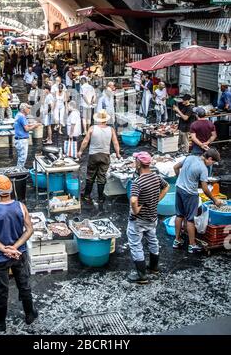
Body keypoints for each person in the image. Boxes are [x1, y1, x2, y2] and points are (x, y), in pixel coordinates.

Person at [0, 175, 38, 332]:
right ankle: (30, 314)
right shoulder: (21, 207)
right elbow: (29, 230)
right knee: (24, 284)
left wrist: (5, 249)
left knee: (2, 289)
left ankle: (0, 322)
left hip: (1, 258)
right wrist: (15, 247)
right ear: (10, 189)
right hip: (19, 254)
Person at [127, 152, 169, 284]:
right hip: (152, 217)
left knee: (135, 245)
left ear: (139, 163)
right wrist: (157, 200)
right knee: (152, 240)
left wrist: (135, 211)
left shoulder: (137, 182)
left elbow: (133, 200)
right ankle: (154, 267)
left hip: (138, 220)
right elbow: (166, 187)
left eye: (135, 161)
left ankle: (142, 276)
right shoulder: (156, 177)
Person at [173, 149, 222, 253]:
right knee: (190, 219)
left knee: (179, 215)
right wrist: (215, 200)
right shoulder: (203, 168)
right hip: (190, 194)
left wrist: (180, 179)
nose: (211, 164)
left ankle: (177, 241)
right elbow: (205, 189)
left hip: (178, 189)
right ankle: (192, 245)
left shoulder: (190, 157)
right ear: (209, 158)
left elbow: (175, 167)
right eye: (212, 162)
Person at [77, 109, 120, 210]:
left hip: (93, 155)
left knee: (90, 175)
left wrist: (80, 151)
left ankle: (87, 195)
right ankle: (100, 197)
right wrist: (118, 153)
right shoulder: (111, 130)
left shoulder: (92, 128)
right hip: (105, 155)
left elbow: (85, 141)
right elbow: (115, 143)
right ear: (106, 120)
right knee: (102, 176)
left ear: (98, 119)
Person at [14, 103, 41, 169]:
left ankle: (19, 169)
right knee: (22, 158)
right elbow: (26, 129)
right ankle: (19, 171)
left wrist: (32, 124)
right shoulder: (22, 117)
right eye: (28, 108)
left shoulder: (18, 115)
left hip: (18, 139)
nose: (29, 110)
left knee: (20, 157)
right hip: (22, 140)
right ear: (23, 109)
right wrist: (35, 126)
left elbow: (25, 125)